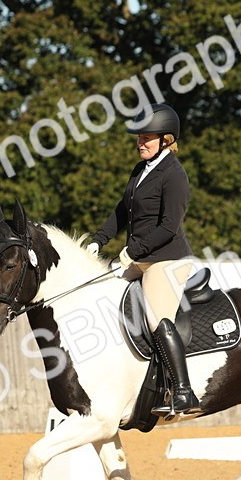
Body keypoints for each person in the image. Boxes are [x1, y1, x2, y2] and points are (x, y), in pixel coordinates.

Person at [88, 103, 201, 416]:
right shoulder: (141, 171)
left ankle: (182, 391)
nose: (140, 142)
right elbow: (122, 211)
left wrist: (133, 252)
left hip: (168, 259)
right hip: (140, 258)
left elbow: (169, 226)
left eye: (147, 137)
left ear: (166, 139)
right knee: (104, 298)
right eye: (138, 137)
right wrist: (99, 239)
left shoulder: (174, 175)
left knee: (155, 318)